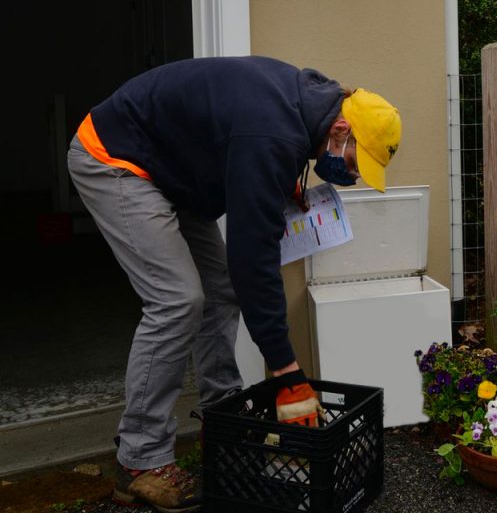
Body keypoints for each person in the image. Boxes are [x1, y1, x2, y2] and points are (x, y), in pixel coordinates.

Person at [66, 56, 402, 512]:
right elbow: (253, 260)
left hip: (167, 170)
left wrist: (281, 184)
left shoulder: (310, 105)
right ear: (341, 130)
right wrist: (286, 373)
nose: (354, 175)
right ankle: (139, 461)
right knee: (177, 299)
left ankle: (221, 415)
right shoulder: (273, 133)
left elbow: (248, 146)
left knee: (219, 289)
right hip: (114, 157)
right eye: (355, 162)